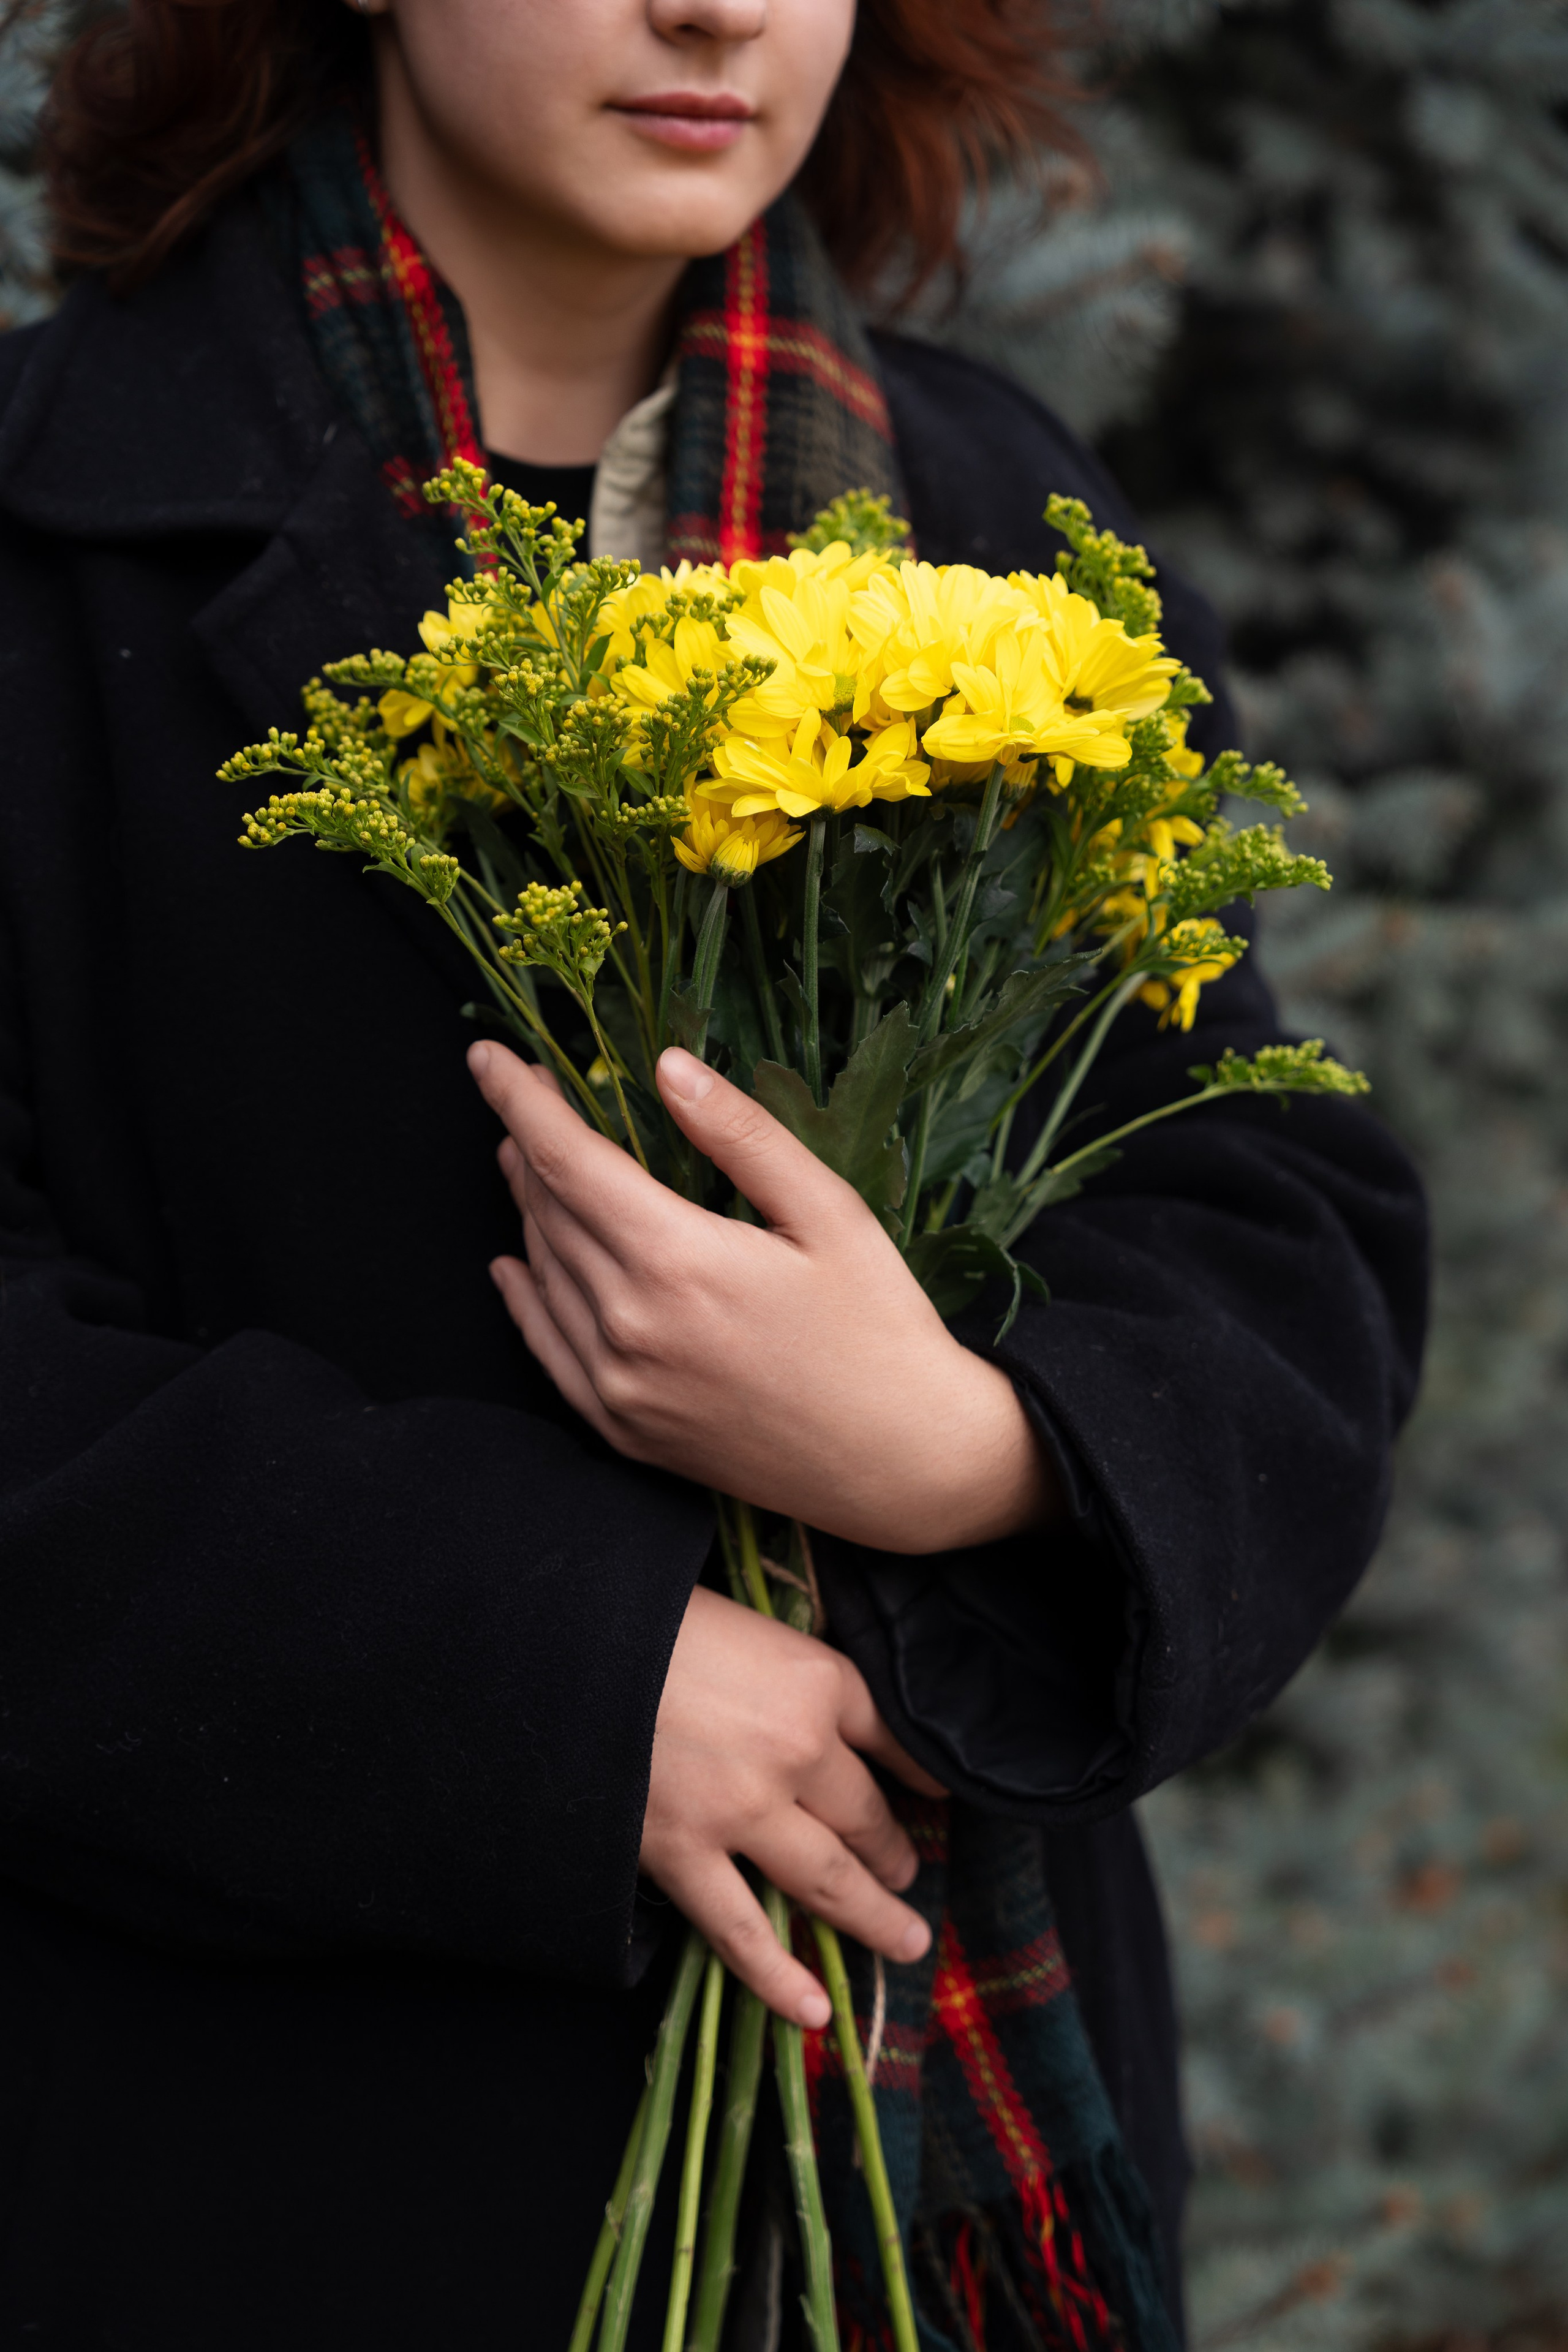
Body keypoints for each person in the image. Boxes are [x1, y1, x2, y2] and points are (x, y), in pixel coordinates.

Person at [0, 1, 1427, 2345]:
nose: (715, 7)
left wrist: (970, 1448)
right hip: (256, 2164)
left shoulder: (988, 516)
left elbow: (1271, 1217)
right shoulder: (52, 540)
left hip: (942, 2196)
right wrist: (565, 1676)